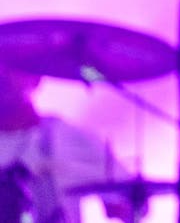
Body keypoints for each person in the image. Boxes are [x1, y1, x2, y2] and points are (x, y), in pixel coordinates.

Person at [0, 64, 137, 223]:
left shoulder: (65, 136)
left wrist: (121, 204)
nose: (4, 76)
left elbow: (131, 199)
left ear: (36, 77)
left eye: (13, 65)